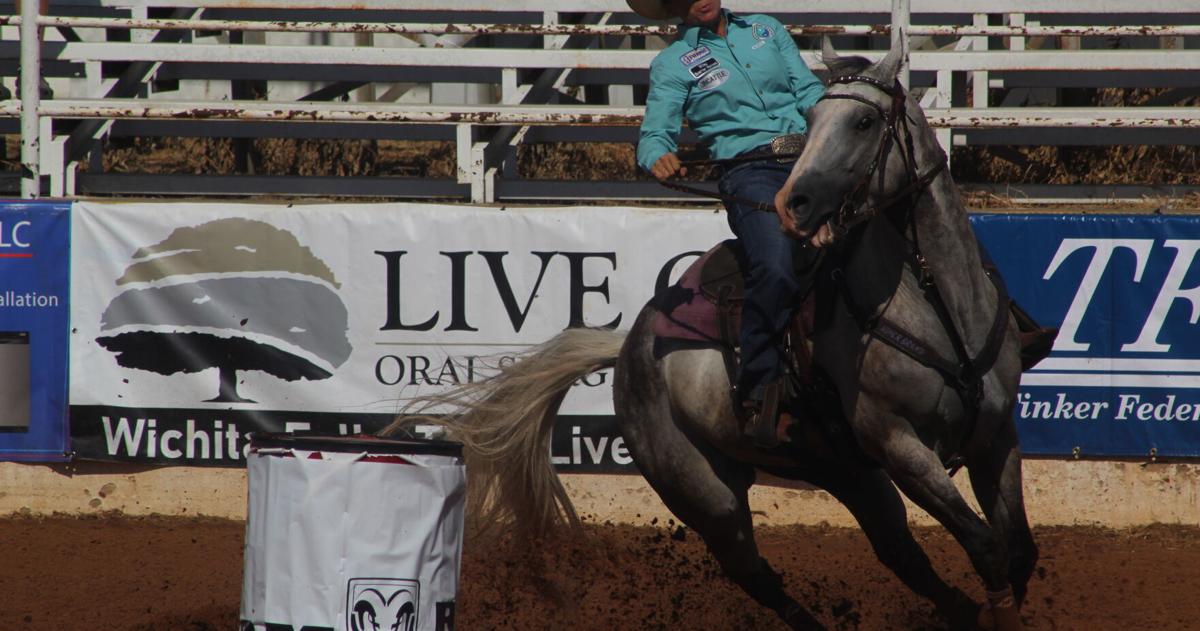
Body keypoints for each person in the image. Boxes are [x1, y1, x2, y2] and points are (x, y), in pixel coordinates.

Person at [630, 0, 824, 445]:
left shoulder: (766, 28)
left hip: (814, 156)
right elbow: (656, 130)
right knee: (774, 266)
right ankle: (760, 387)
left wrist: (840, 119)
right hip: (750, 171)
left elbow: (808, 92)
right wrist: (655, 154)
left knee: (905, 208)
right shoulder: (673, 62)